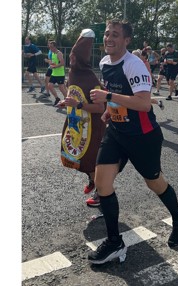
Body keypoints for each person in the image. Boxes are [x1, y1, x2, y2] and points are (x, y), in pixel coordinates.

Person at [88, 19, 178, 264]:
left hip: (143, 136)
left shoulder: (134, 65)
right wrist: (109, 109)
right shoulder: (104, 62)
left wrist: (108, 96)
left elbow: (144, 103)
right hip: (117, 132)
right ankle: (115, 242)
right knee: (102, 183)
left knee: (154, 183)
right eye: (107, 34)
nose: (109, 38)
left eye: (115, 35)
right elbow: (118, 97)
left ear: (126, 40)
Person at [56, 29, 106, 206]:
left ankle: (101, 193)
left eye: (73, 57)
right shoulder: (73, 73)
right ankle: (93, 180)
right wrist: (66, 102)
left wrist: (77, 105)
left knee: (91, 159)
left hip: (93, 126)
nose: (70, 60)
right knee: (80, 157)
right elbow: (74, 95)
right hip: (77, 123)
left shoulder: (90, 77)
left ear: (80, 58)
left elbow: (100, 107)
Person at [48, 40, 68, 106]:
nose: (50, 48)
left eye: (51, 47)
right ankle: (57, 98)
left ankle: (67, 100)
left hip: (60, 74)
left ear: (55, 47)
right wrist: (51, 64)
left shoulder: (59, 53)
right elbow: (55, 63)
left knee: (61, 88)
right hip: (54, 73)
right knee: (50, 85)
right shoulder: (53, 53)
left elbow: (62, 63)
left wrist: (54, 66)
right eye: (49, 47)